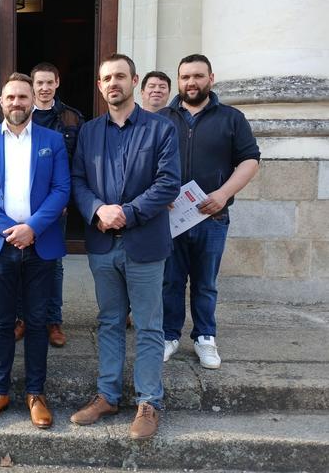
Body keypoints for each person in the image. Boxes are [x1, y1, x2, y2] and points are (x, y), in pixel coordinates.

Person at [70, 53, 180, 440]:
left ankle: (149, 401)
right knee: (110, 321)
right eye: (106, 78)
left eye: (120, 76)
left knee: (150, 325)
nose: (113, 83)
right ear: (100, 86)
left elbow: (168, 183)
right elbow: (77, 181)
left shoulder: (160, 129)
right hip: (102, 243)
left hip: (144, 242)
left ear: (134, 80)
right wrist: (99, 209)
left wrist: (127, 213)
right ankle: (108, 394)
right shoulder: (89, 131)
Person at [0, 72, 69, 429]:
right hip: (0, 245)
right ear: (1, 102)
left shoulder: (52, 140)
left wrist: (32, 228)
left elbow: (61, 189)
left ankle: (35, 394)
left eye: (23, 98)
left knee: (39, 321)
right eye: (10, 98)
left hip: (41, 245)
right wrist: (10, 230)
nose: (16, 103)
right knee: (0, 322)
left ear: (32, 102)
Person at [159, 54, 260, 369]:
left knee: (205, 282)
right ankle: (169, 335)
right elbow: (146, 163)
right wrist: (158, 196)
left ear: (211, 78)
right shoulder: (162, 118)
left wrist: (224, 193)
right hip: (171, 218)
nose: (191, 82)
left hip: (212, 216)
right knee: (170, 281)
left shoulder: (231, 118)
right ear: (179, 80)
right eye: (186, 77)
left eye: (198, 76)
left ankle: (205, 337)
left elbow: (250, 160)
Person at [26, 62, 85, 347]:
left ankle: (53, 321)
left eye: (49, 82)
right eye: (40, 83)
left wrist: (65, 200)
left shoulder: (72, 118)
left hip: (56, 205)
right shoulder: (22, 116)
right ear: (32, 85)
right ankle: (23, 318)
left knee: (53, 264)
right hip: (23, 206)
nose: (45, 88)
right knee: (21, 263)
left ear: (57, 83)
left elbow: (78, 164)